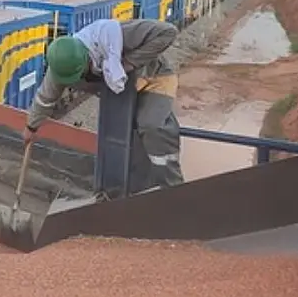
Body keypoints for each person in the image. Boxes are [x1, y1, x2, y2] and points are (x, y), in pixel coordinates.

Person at [22, 18, 184, 191]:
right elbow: (45, 98)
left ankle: (173, 188)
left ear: (87, 57)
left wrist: (128, 63)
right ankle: (133, 191)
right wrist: (31, 127)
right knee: (118, 140)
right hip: (119, 91)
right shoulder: (61, 66)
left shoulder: (117, 35)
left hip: (154, 79)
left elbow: (168, 31)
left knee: (151, 126)